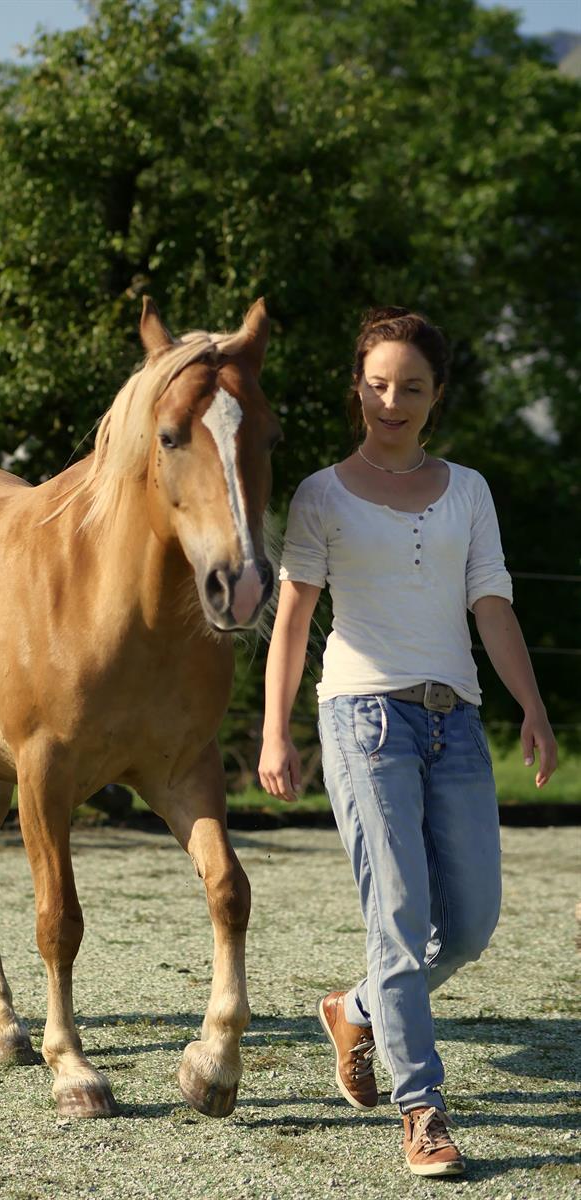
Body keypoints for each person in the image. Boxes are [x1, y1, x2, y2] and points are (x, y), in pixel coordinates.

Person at [259, 307, 558, 1178]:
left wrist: (530, 709)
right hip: (364, 718)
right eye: (379, 384)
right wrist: (277, 730)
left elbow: (491, 607)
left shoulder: (469, 489)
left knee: (466, 927)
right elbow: (292, 623)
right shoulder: (321, 493)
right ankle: (421, 1108)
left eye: (412, 387)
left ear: (436, 396)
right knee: (398, 918)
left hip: (455, 720)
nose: (393, 401)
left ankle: (353, 1009)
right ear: (358, 386)